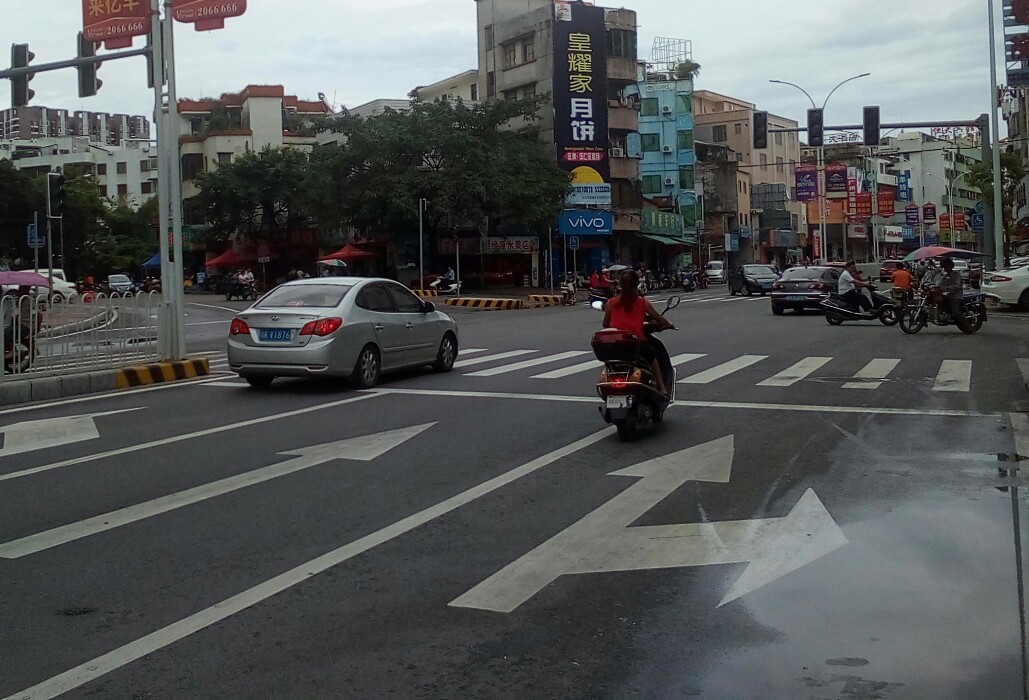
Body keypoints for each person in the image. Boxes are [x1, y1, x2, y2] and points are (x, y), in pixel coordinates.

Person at [602, 270, 674, 397]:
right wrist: (669, 324)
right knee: (653, 358)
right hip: (635, 343)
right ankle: (661, 387)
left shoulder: (611, 303)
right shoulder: (642, 302)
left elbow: (605, 324)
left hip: (615, 344)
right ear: (636, 284)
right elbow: (658, 319)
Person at [938, 258, 964, 322]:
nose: (944, 268)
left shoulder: (957, 274)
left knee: (956, 313)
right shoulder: (945, 276)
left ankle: (966, 325)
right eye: (944, 267)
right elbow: (940, 283)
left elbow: (957, 285)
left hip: (956, 296)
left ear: (950, 266)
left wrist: (948, 288)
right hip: (947, 295)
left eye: (945, 266)